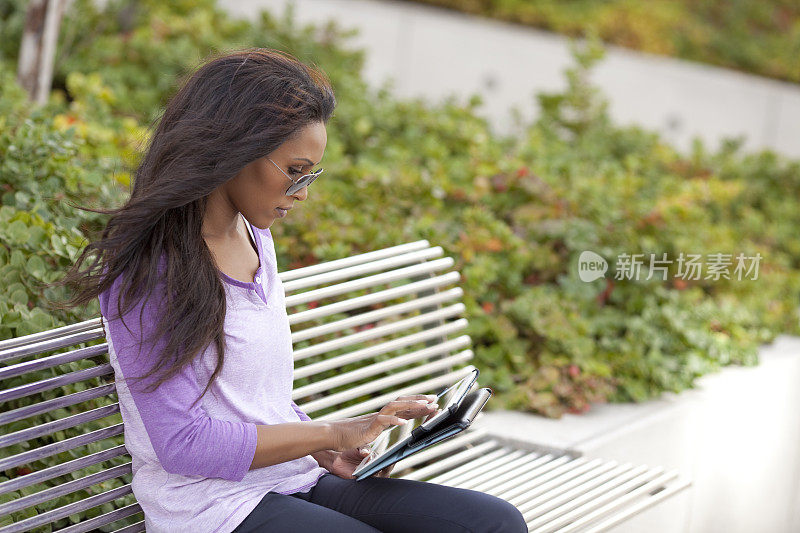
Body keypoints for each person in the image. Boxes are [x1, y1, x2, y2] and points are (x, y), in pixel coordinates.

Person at [54, 48, 527, 532]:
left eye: (311, 174)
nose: (302, 192)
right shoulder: (150, 271)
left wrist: (327, 448)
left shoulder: (255, 237)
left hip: (289, 479)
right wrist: (335, 430)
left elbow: (252, 398)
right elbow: (181, 444)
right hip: (210, 505)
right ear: (233, 148)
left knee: (493, 523)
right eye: (294, 171)